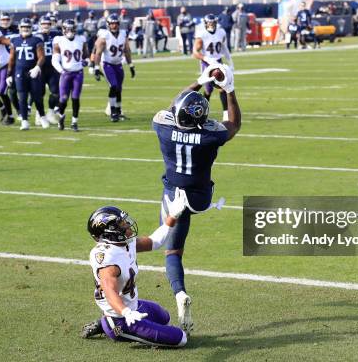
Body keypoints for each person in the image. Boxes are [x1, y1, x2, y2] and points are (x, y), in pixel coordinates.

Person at [152, 63, 241, 333]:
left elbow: (173, 105)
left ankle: (180, 293)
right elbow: (234, 123)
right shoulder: (209, 136)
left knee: (173, 252)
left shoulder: (162, 127)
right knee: (178, 242)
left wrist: (199, 82)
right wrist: (230, 89)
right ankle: (180, 295)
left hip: (174, 195)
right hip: (200, 198)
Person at [79, 196, 189, 346]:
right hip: (120, 320)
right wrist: (126, 312)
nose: (126, 225)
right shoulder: (107, 258)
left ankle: (108, 323)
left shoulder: (124, 243)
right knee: (180, 338)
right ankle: (109, 327)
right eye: (121, 224)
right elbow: (109, 290)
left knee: (164, 318)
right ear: (109, 233)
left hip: (133, 305)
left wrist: (173, 216)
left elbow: (155, 242)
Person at [6, 18, 49, 130]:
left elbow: (42, 57)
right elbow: (11, 59)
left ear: (31, 28)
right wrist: (9, 74)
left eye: (27, 27)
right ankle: (24, 121)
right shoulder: (15, 40)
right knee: (22, 97)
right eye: (23, 27)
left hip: (33, 71)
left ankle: (42, 117)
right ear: (19, 28)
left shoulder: (36, 40)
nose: (25, 29)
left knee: (37, 96)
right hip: (19, 71)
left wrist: (37, 67)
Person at [91, 13, 135, 122]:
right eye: (111, 24)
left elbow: (127, 51)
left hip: (118, 64)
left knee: (119, 88)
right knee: (113, 86)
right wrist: (96, 67)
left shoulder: (123, 34)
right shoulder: (104, 36)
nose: (114, 26)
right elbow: (98, 53)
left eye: (115, 23)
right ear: (108, 25)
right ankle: (112, 111)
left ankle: (119, 111)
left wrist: (131, 65)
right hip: (108, 64)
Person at [192, 14, 234, 121]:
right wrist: (207, 59)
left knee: (222, 87)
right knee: (208, 90)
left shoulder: (221, 32)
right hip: (206, 64)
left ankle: (225, 115)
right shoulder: (202, 35)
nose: (211, 25)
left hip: (218, 61)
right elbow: (195, 53)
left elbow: (224, 47)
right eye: (209, 23)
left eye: (213, 22)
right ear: (205, 23)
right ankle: (203, 113)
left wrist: (230, 61)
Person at [51, 19, 87, 131]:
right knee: (63, 99)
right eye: (67, 29)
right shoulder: (59, 41)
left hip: (78, 73)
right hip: (66, 73)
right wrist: (61, 71)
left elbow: (86, 56)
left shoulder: (81, 39)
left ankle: (74, 122)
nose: (70, 31)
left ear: (75, 29)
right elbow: (54, 60)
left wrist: (87, 62)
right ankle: (61, 116)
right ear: (63, 30)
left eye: (72, 29)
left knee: (75, 98)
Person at [36, 15, 61, 125]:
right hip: (40, 68)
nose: (46, 26)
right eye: (44, 24)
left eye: (48, 24)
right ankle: (39, 114)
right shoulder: (35, 36)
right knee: (39, 93)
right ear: (40, 25)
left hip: (53, 67)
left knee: (56, 92)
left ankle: (50, 113)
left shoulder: (57, 35)